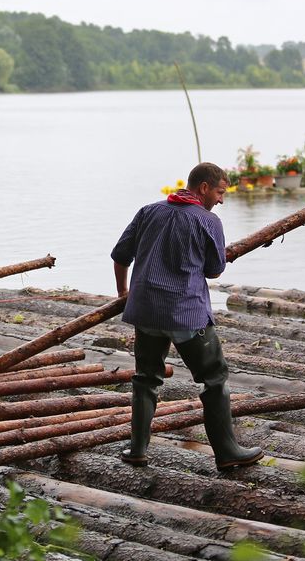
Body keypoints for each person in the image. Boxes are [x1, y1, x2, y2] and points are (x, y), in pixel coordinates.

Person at [110, 162, 263, 470]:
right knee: (215, 379)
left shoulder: (148, 211)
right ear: (203, 188)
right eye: (220, 193)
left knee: (145, 379)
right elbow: (214, 269)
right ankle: (227, 452)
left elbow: (120, 255)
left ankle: (138, 449)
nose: (221, 200)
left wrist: (123, 294)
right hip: (186, 314)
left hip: (146, 311)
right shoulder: (209, 221)